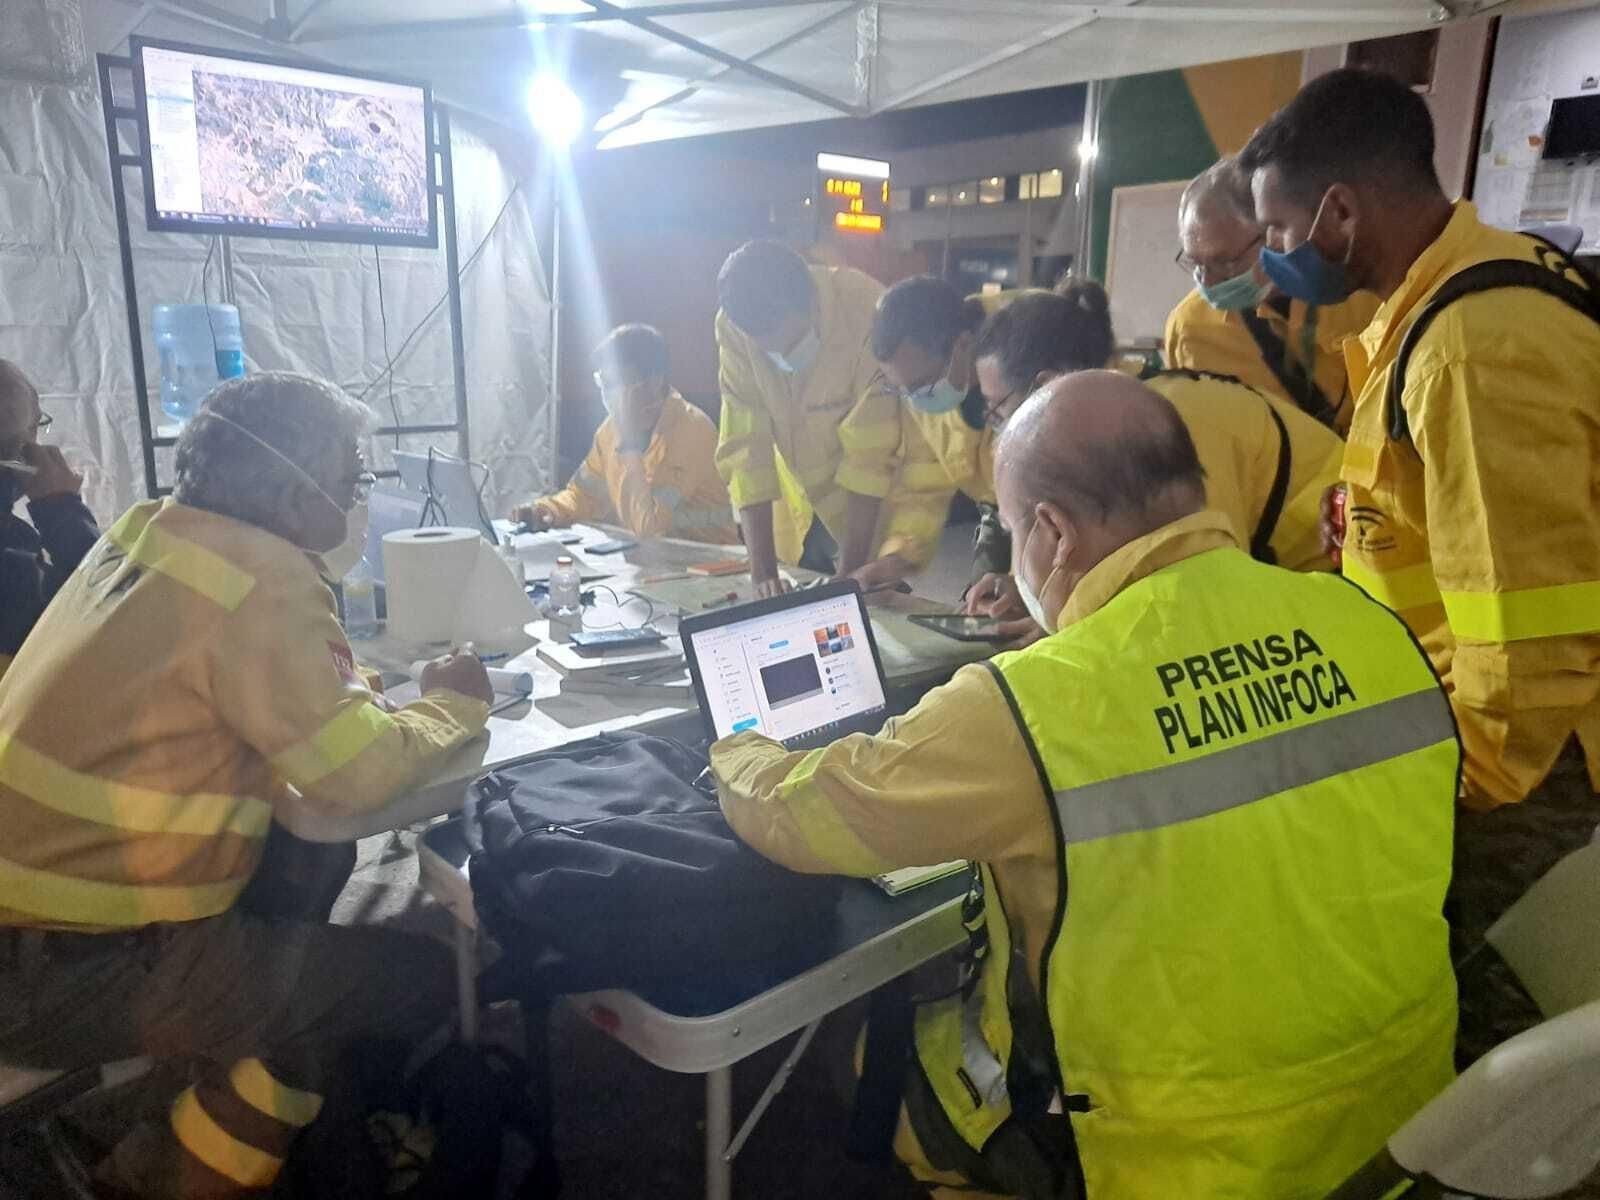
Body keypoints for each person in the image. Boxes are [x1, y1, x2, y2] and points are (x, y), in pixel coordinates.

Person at [712, 370, 1460, 1199]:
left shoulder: (1036, 701)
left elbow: (799, 816)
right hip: (1407, 1127)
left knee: (866, 1048)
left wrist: (737, 745)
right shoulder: (1369, 623)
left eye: (1007, 527)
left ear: (1053, 534)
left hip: (1173, 1159)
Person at [0, 371, 493, 1199]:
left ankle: (224, 1142)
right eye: (350, 481)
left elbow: (225, 687)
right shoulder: (260, 581)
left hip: (43, 933)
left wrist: (348, 694)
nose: (354, 501)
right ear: (292, 488)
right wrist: (453, 705)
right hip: (69, 965)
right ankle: (147, 1174)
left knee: (298, 959)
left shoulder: (148, 533)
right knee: (412, 982)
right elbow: (356, 778)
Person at [1239, 66, 1600, 1061]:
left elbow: (1527, 625)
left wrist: (1455, 790)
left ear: (1338, 210)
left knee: (1512, 1053)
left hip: (1526, 776)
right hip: (1494, 744)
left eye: (1277, 231)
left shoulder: (1470, 350)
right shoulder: (1447, 306)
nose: (1273, 259)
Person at [966, 284, 1342, 643]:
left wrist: (1063, 630)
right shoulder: (1124, 412)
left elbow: (1193, 587)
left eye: (998, 409)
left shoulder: (1170, 419)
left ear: (1045, 386)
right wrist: (1032, 584)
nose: (999, 428)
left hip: (1338, 583)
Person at [713, 240, 908, 596]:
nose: (780, 357)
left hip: (874, 500)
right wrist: (762, 573)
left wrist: (851, 571)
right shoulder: (734, 325)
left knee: (872, 593)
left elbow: (872, 452)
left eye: (791, 342)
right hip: (802, 499)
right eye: (767, 350)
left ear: (810, 302)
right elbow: (745, 448)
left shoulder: (867, 309)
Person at [1164, 157, 1378, 432]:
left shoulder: (1353, 286)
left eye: (1225, 262)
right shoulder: (1189, 330)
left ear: (1275, 234)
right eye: (1195, 263)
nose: (1208, 280)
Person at [512, 324, 739, 544]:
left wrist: (629, 443)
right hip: (657, 562)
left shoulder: (691, 430)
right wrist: (547, 510)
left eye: (616, 382)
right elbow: (583, 495)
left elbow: (647, 525)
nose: (607, 393)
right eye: (603, 382)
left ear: (653, 382)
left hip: (714, 562)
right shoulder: (609, 431)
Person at [871, 276, 1013, 583]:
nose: (914, 399)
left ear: (963, 345)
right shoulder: (920, 386)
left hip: (1064, 513)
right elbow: (924, 479)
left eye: (920, 385)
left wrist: (1024, 583)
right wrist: (897, 557)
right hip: (1000, 507)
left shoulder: (1024, 358)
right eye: (901, 389)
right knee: (984, 612)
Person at [0, 358, 99, 679]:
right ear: (24, 456)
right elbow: (109, 614)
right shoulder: (15, 569)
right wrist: (62, 509)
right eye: (37, 427)